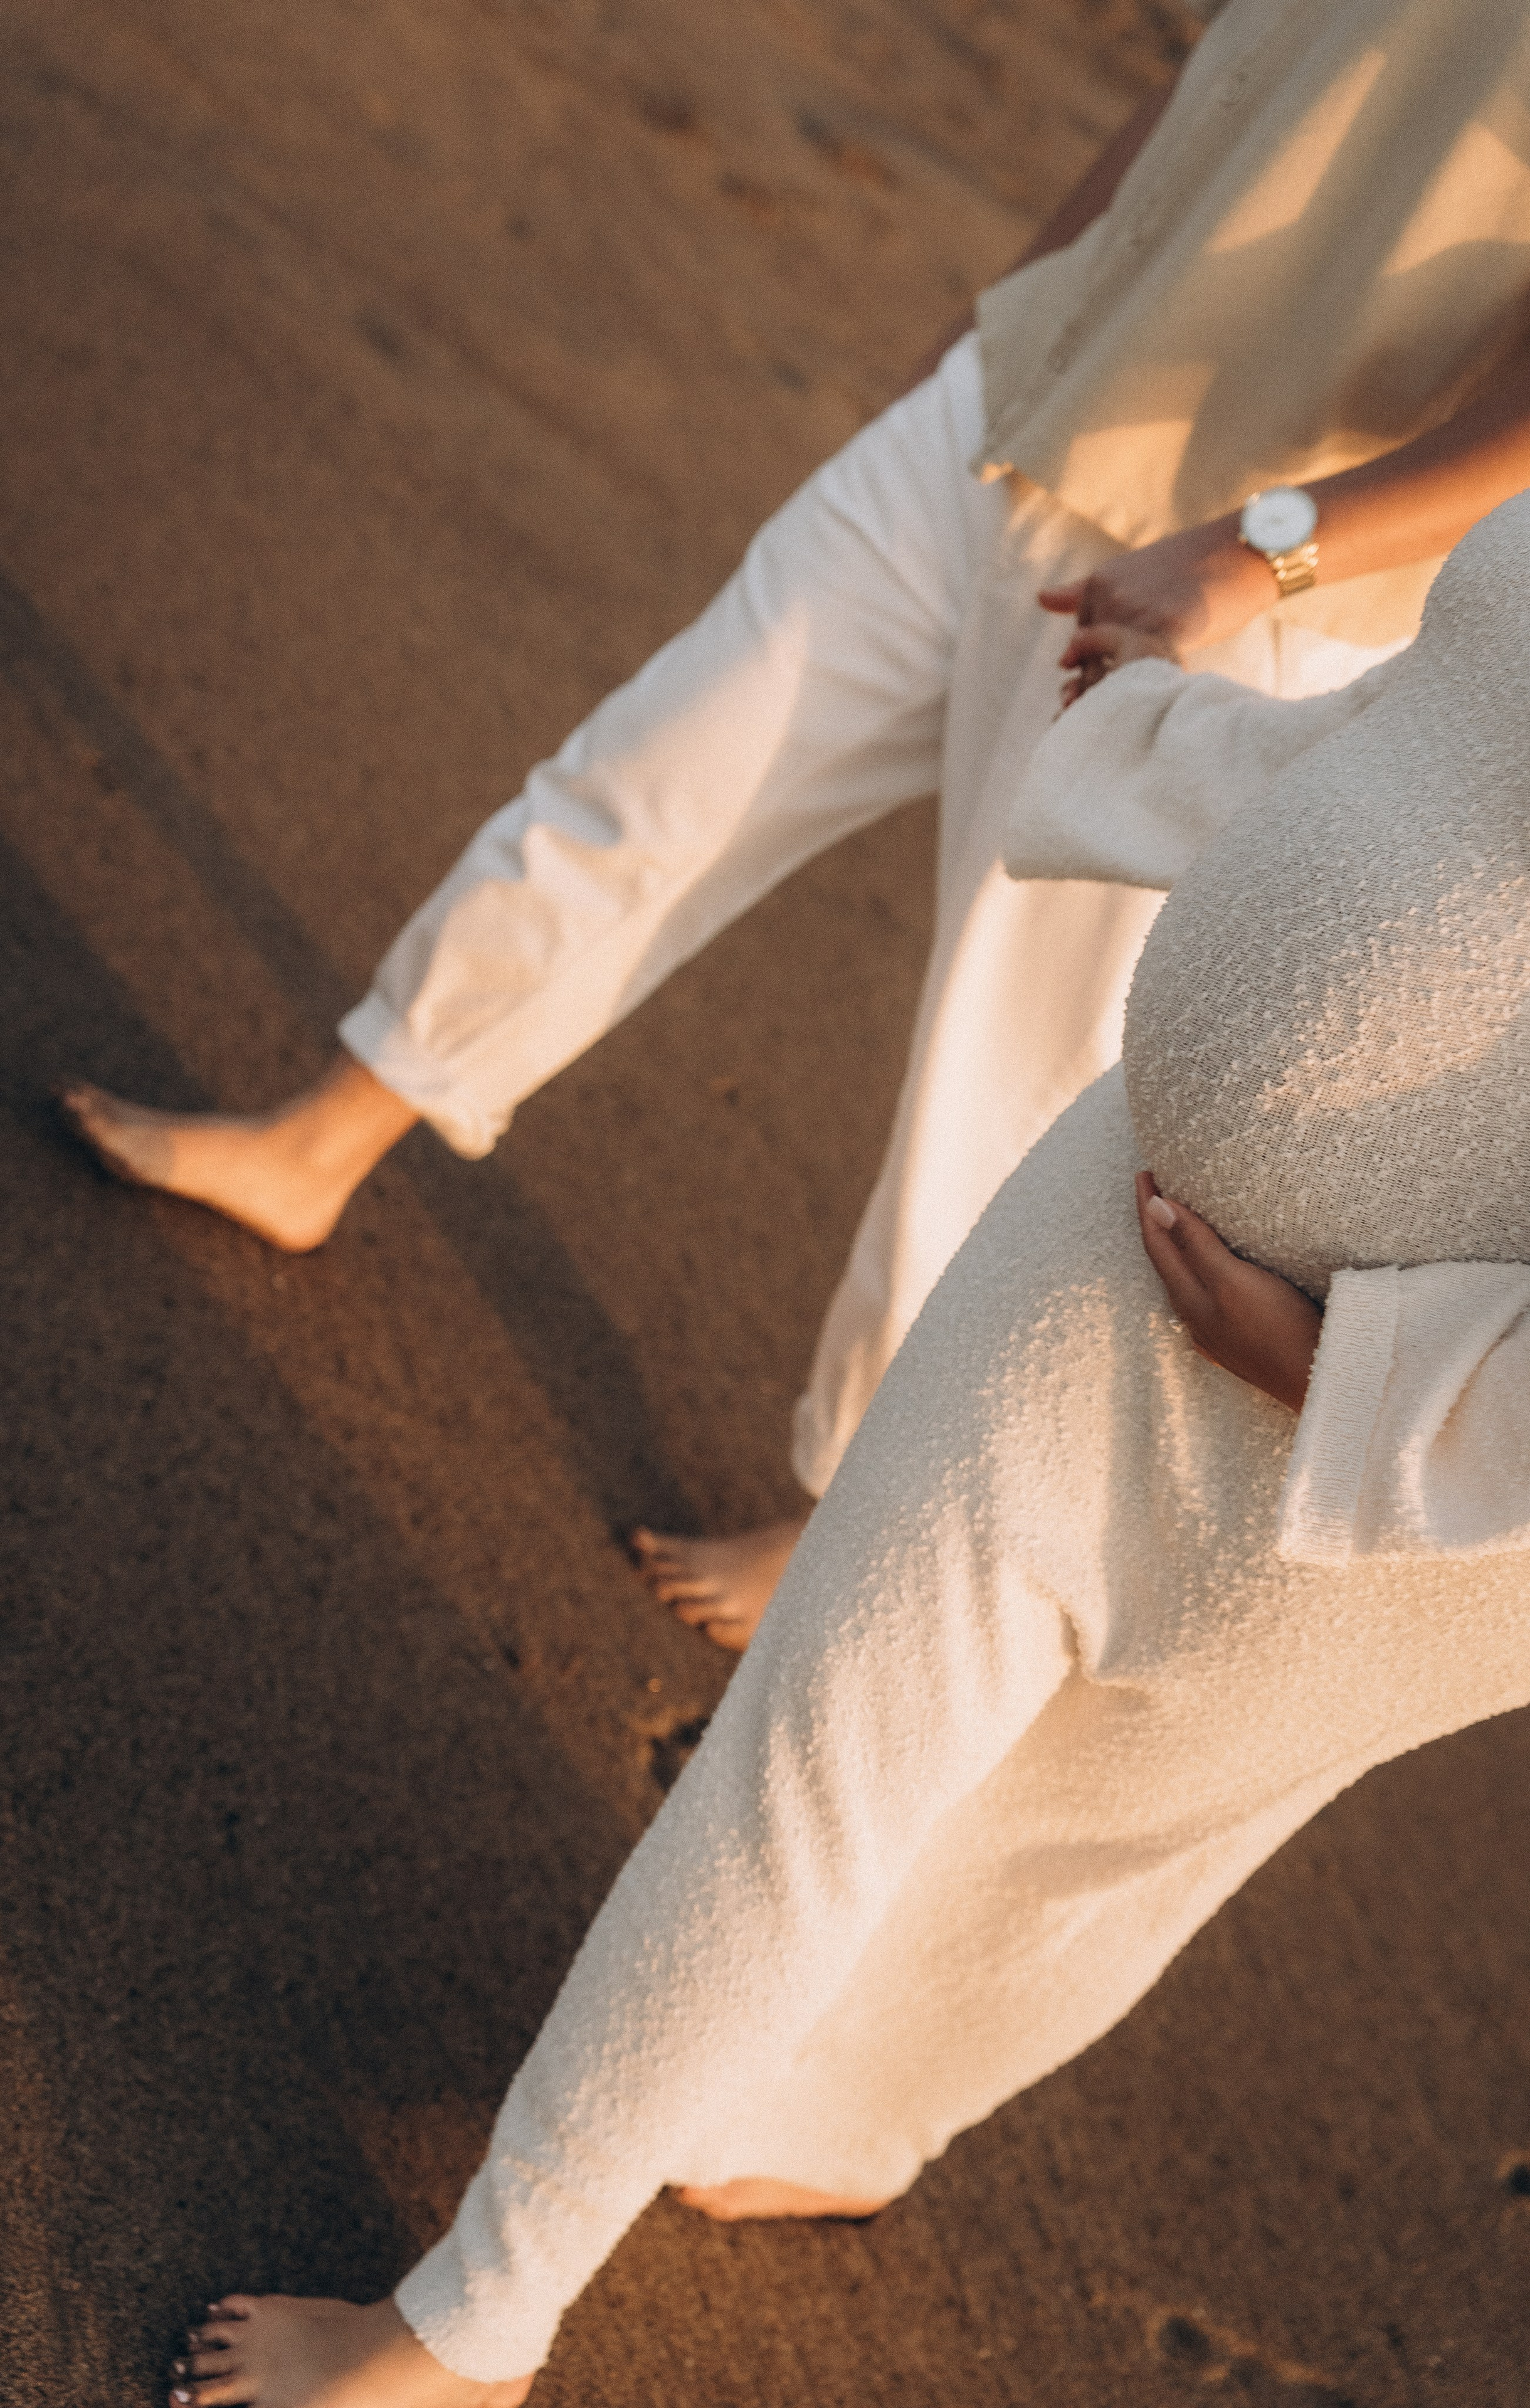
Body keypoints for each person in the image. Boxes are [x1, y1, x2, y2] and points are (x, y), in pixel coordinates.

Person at [165, 482, 1530, 2408]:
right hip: (1126, 1217)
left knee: (1090, 1840)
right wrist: (1143, 738)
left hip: (1428, 1486)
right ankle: (471, 2320)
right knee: (815, 1761)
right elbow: (1420, 738)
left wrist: (1367, 1374)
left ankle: (847, 2114)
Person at [66, 0, 1530, 1650]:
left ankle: (841, 1515)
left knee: (994, 1068)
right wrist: (1010, 309)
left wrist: (1265, 550)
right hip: (1030, 398)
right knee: (662, 766)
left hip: (1239, 576)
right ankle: (326, 1135)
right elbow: (1222, 78)